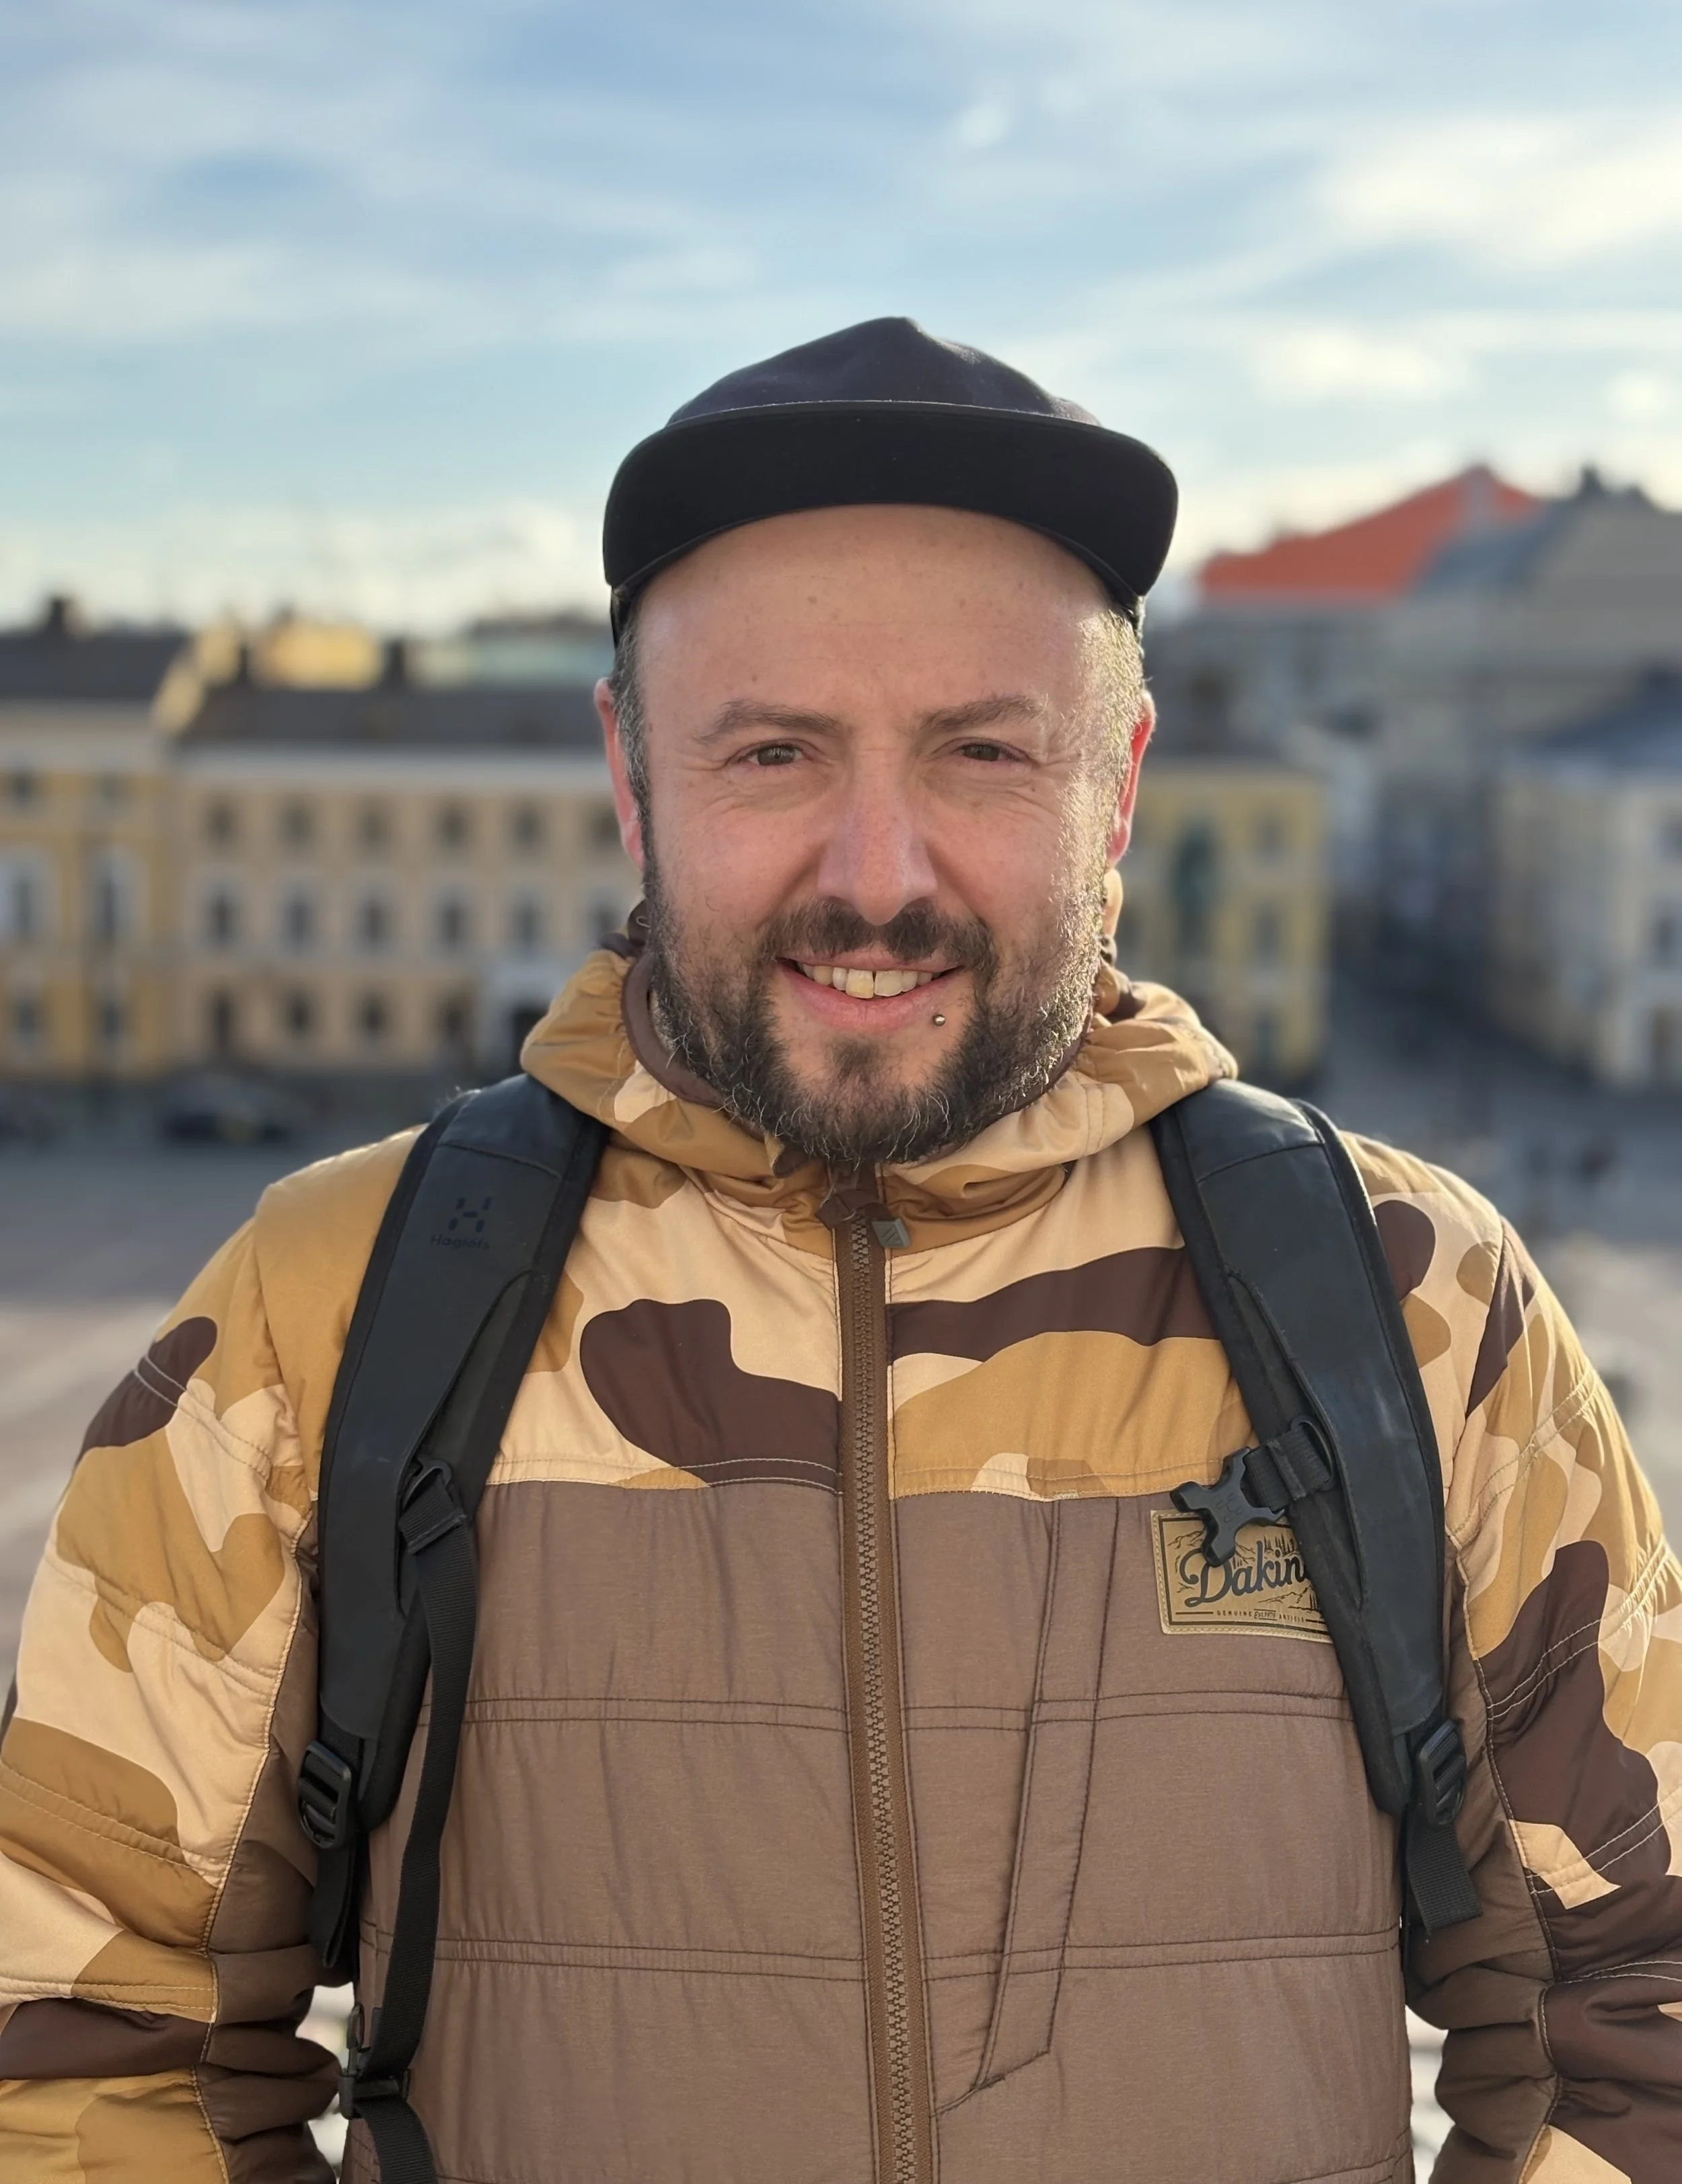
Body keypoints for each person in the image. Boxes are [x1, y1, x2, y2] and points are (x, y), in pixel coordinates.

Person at [2, 318, 1679, 2184]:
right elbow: (79, 2036)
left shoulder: (1415, 1308)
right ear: (634, 777)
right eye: (773, 753)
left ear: (1117, 784)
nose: (877, 874)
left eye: (983, 752)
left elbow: (1648, 2004)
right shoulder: (319, 1315)